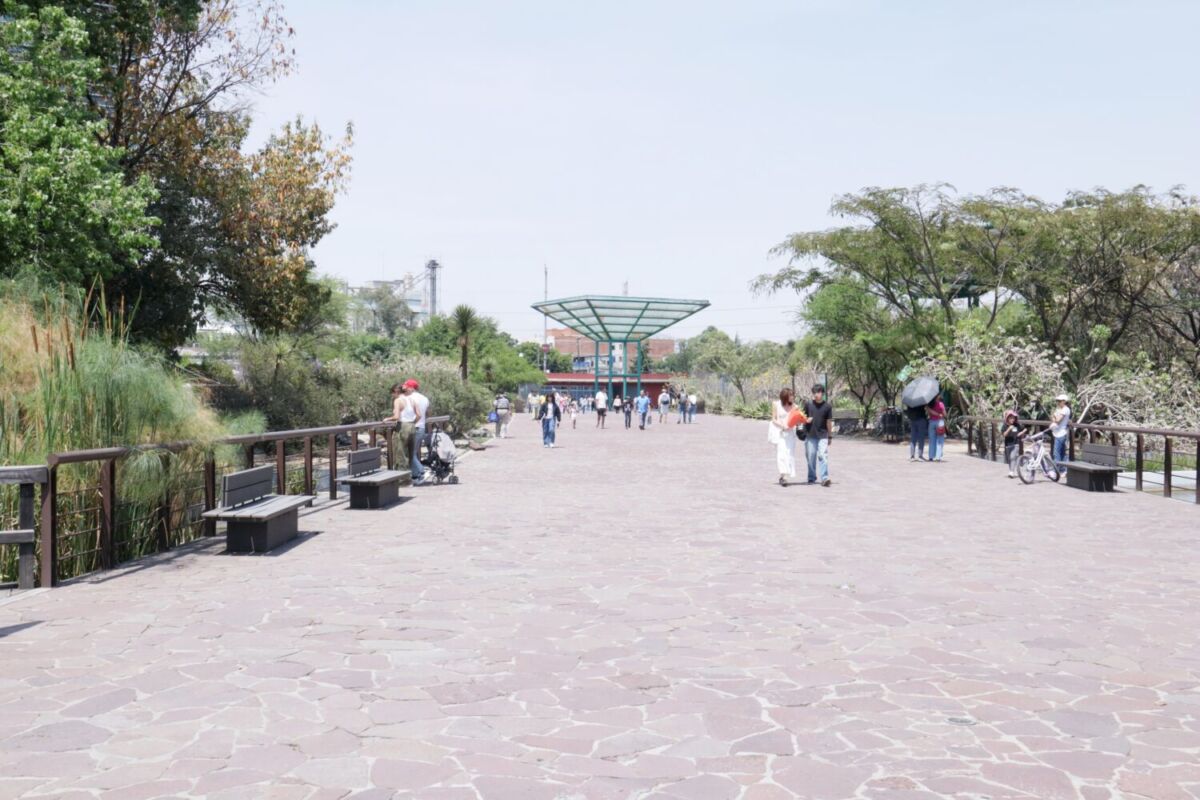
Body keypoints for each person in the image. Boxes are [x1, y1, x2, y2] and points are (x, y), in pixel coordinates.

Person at [803, 384, 833, 486]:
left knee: (823, 456)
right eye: (814, 392)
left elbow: (829, 422)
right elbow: (802, 418)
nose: (816, 394)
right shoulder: (808, 404)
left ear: (822, 393)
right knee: (810, 457)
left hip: (823, 435)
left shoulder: (827, 406)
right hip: (810, 434)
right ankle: (811, 477)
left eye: (818, 392)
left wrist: (830, 436)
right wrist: (807, 420)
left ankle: (825, 478)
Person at [399, 379, 428, 484]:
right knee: (413, 453)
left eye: (406, 386)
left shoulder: (408, 398)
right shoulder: (425, 398)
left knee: (410, 454)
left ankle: (421, 471)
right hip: (422, 427)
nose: (404, 388)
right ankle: (416, 476)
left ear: (411, 387)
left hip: (412, 427)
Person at [770, 388, 799, 486]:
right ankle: (783, 476)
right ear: (785, 397)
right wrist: (782, 425)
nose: (792, 397)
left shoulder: (795, 407)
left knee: (789, 454)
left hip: (790, 433)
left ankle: (786, 474)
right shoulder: (776, 404)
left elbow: (797, 420)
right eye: (791, 395)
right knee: (781, 454)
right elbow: (774, 419)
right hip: (780, 433)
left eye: (793, 395)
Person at [1002, 410, 1025, 479]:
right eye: (1011, 418)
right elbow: (1004, 435)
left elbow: (1019, 434)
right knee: (1009, 459)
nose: (1012, 419)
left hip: (1016, 444)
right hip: (1008, 444)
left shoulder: (1017, 425)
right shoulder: (1005, 425)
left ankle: (1011, 472)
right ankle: (1011, 470)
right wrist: (1009, 429)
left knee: (1013, 457)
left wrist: (1023, 431)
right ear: (1007, 418)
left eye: (1014, 418)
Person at [1050, 393, 1071, 463]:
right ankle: (1063, 470)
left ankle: (1056, 470)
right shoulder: (1059, 409)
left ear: (1064, 401)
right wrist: (1054, 417)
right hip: (1057, 433)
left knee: (1056, 453)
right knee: (1061, 453)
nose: (1058, 402)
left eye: (1059, 401)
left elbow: (1057, 420)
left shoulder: (1065, 409)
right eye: (1057, 401)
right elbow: (1053, 419)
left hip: (1061, 433)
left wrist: (1054, 417)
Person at [927, 395, 946, 462]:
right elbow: (945, 414)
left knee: (932, 440)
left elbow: (929, 413)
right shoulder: (941, 404)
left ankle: (931, 456)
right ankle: (938, 457)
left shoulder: (929, 404)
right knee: (940, 440)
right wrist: (939, 414)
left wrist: (933, 414)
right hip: (939, 422)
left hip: (931, 422)